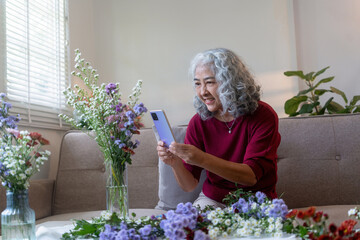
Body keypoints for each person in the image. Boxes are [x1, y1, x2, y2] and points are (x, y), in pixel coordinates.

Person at [157, 48, 281, 209]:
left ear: (231, 82)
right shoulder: (199, 122)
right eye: (197, 84)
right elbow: (189, 185)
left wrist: (201, 158)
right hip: (213, 200)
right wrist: (175, 164)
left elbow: (250, 176)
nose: (202, 92)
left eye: (210, 82)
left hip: (255, 200)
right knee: (192, 228)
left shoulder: (263, 116)